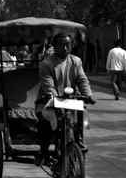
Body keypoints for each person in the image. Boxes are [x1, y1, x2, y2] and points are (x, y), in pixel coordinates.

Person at [34, 32, 95, 166]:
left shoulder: (76, 61)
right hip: (48, 101)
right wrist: (55, 98)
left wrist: (88, 94)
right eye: (61, 45)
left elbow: (82, 80)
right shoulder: (47, 64)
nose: (65, 48)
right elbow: (48, 86)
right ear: (54, 47)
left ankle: (77, 141)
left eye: (68, 45)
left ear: (71, 46)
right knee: (45, 124)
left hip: (69, 101)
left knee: (80, 118)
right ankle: (43, 152)